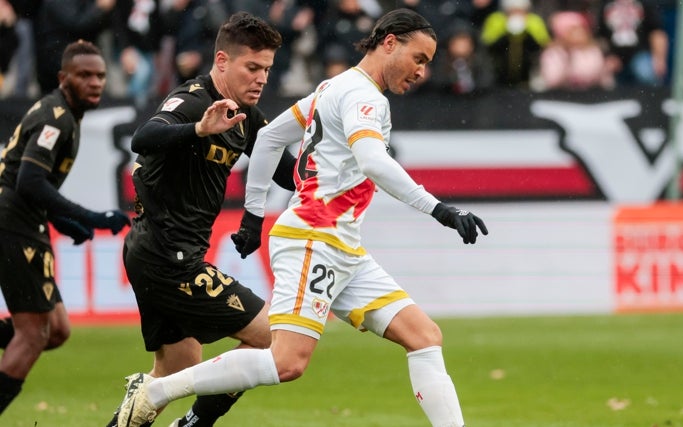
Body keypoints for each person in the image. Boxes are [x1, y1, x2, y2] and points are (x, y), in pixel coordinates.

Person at [115, 8, 488, 427]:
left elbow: (270, 137)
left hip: (342, 245)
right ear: (389, 43)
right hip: (313, 237)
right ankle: (157, 391)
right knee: (285, 360)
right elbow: (372, 161)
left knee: (424, 337)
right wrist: (438, 208)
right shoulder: (364, 96)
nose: (422, 71)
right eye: (419, 58)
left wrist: (255, 214)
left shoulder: (335, 85)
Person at [104, 11, 298, 427]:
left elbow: (289, 172)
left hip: (159, 254)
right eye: (252, 67)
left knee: (174, 371)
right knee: (271, 341)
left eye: (267, 69)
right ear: (223, 61)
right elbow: (144, 137)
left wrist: (335, 172)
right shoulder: (193, 100)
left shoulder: (248, 115)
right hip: (168, 258)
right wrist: (197, 129)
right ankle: (193, 425)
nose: (261, 78)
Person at [0, 39, 132, 415]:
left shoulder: (66, 115)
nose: (95, 83)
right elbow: (27, 182)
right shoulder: (55, 117)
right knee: (33, 334)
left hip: (24, 221)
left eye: (101, 76)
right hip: (14, 224)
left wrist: (64, 221)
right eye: (85, 75)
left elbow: (26, 182)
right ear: (64, 78)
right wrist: (89, 216)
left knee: (56, 330)